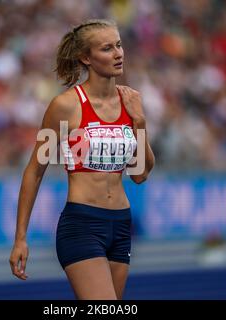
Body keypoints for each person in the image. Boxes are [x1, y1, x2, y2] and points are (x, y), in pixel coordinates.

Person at [9, 19, 155, 300]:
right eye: (107, 48)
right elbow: (35, 171)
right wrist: (20, 238)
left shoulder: (131, 102)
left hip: (122, 225)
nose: (118, 53)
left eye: (119, 45)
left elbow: (139, 174)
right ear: (85, 58)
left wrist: (140, 121)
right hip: (82, 225)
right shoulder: (66, 106)